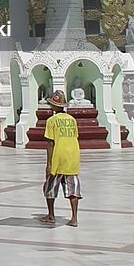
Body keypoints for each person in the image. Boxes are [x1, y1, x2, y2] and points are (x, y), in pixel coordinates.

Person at [41, 89, 81, 227]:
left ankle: (51, 215)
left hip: (58, 157)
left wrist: (48, 163)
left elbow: (50, 143)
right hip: (72, 157)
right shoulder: (72, 120)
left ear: (54, 106)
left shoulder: (51, 121)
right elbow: (75, 137)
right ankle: (74, 218)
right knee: (73, 189)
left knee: (50, 187)